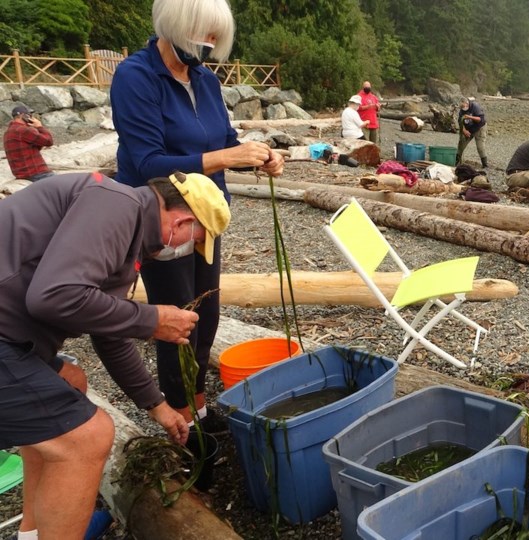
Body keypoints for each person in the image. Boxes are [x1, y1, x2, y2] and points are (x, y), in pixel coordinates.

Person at [0, 170, 230, 539]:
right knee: (87, 437)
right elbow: (54, 296)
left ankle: (35, 531)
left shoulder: (127, 231)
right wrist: (151, 319)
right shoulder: (116, 203)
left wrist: (157, 406)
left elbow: (110, 333)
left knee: (70, 381)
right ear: (183, 220)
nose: (185, 250)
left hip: (13, 338)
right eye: (195, 241)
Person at [110, 0, 284, 428]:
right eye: (202, 35)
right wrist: (228, 155)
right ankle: (184, 426)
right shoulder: (136, 77)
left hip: (206, 215)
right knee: (177, 323)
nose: (208, 46)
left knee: (206, 316)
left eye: (214, 38)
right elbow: (149, 161)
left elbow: (224, 138)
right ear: (174, 25)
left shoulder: (205, 79)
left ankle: (199, 409)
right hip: (163, 219)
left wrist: (259, 158)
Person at [3, 105, 54, 181]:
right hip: (37, 173)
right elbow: (48, 141)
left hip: (21, 174)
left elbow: (33, 147)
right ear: (22, 115)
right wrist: (39, 127)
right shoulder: (23, 130)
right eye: (29, 115)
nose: (31, 117)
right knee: (66, 186)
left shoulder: (7, 133)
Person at [456, 96, 489, 169]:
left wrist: (470, 117)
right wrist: (464, 130)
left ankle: (485, 164)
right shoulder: (461, 111)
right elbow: (460, 121)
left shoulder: (475, 106)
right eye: (462, 107)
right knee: (461, 144)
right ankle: (457, 161)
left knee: (480, 146)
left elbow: (480, 119)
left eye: (464, 106)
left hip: (480, 128)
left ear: (467, 103)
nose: (463, 108)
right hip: (469, 129)